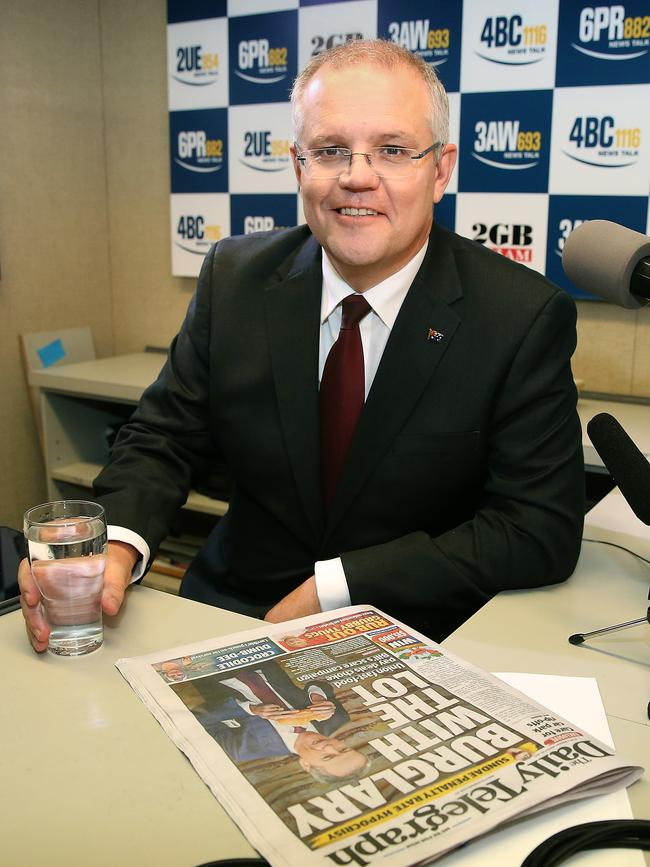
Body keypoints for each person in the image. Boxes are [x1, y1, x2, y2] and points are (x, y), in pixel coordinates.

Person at [19, 39, 584, 651]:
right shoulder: (235, 278)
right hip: (235, 613)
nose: (356, 178)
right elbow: (164, 436)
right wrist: (118, 541)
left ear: (441, 168)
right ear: (298, 165)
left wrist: (336, 587)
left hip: (412, 635)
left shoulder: (520, 314)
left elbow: (538, 529)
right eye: (330, 150)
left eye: (392, 151)